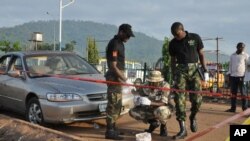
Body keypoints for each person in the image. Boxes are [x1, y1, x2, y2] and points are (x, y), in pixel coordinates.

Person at [169, 22, 207, 139]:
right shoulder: (173, 43)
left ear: (182, 30)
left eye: (177, 34)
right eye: (173, 35)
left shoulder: (195, 38)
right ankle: (182, 129)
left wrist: (204, 69)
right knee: (179, 100)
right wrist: (174, 73)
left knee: (197, 100)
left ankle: (193, 116)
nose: (175, 36)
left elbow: (201, 54)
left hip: (195, 70)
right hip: (180, 71)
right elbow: (172, 60)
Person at [104, 23, 135, 140]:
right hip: (114, 78)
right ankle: (109, 131)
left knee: (117, 104)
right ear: (121, 32)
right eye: (127, 35)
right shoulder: (115, 44)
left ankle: (113, 128)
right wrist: (125, 79)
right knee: (113, 104)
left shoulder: (120, 43)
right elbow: (113, 66)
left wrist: (123, 78)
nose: (128, 38)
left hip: (118, 77)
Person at [129, 70, 174, 137]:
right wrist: (137, 99)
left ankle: (163, 126)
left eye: (154, 82)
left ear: (159, 81)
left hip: (163, 108)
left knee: (163, 111)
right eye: (150, 81)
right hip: (150, 108)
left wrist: (150, 102)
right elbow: (137, 94)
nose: (152, 83)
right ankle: (153, 123)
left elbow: (163, 103)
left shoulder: (165, 86)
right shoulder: (145, 85)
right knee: (133, 112)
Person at [226, 42, 249, 112]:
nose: (241, 48)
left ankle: (244, 108)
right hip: (233, 77)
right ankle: (233, 108)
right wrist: (229, 74)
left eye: (243, 47)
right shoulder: (232, 55)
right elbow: (230, 66)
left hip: (242, 77)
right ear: (237, 47)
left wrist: (246, 75)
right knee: (233, 93)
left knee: (243, 93)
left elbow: (248, 66)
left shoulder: (246, 55)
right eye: (240, 47)